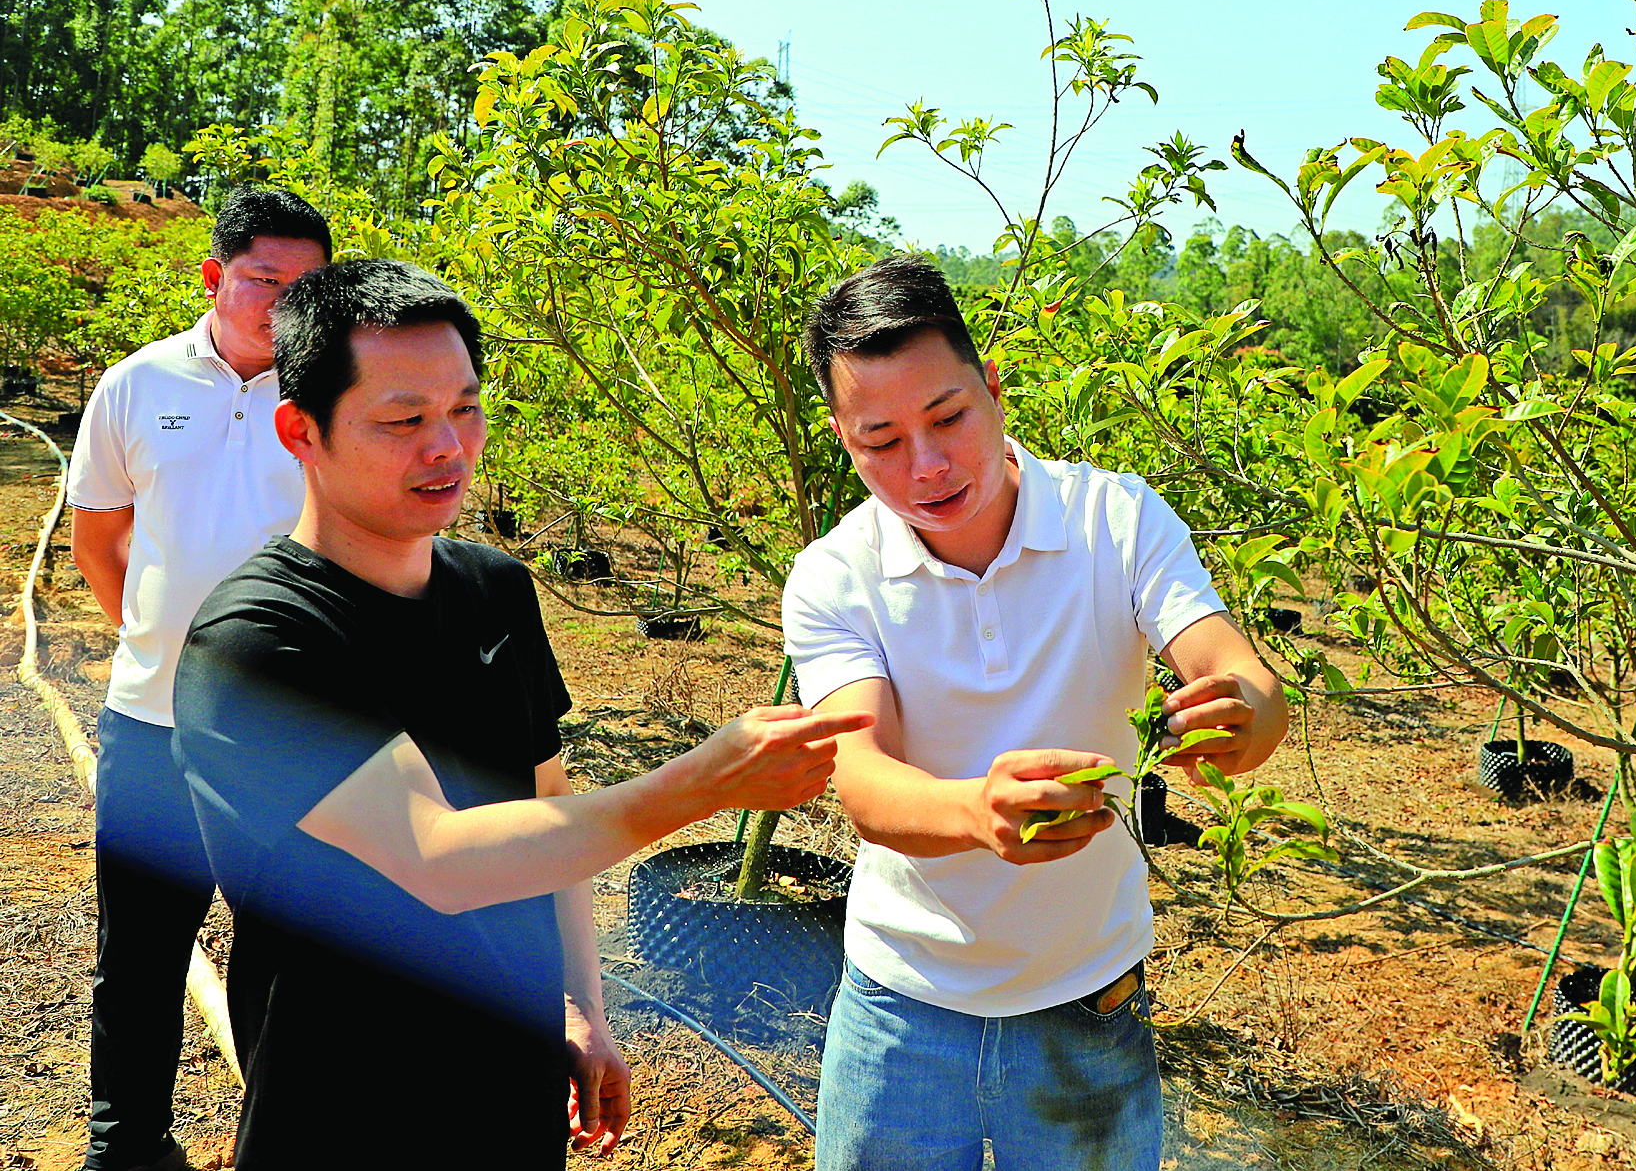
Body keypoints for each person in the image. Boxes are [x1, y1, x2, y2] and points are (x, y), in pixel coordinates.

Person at [171, 259, 872, 1170]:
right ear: (299, 432)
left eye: (464, 408)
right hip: (345, 1111)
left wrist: (581, 1000)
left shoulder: (494, 591)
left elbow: (547, 802)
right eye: (403, 420)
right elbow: (437, 856)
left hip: (510, 1090)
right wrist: (700, 783)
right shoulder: (258, 643)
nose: (449, 447)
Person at [784, 253, 1289, 1171]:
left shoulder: (1115, 520)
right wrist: (978, 811)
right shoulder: (834, 575)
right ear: (842, 438)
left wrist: (1246, 713)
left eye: (948, 418)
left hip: (1086, 998)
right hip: (901, 1002)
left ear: (993, 390)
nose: (926, 466)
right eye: (881, 442)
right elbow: (861, 776)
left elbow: (1234, 668)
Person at [66, 186, 332, 1171]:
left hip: (286, 733)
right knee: (135, 955)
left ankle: (283, 1141)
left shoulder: (331, 396)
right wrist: (155, 638)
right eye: (266, 280)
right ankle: (126, 1142)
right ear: (217, 277)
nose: (284, 302)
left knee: (284, 958)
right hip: (150, 722)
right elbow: (101, 538)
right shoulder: (137, 385)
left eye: (307, 287)